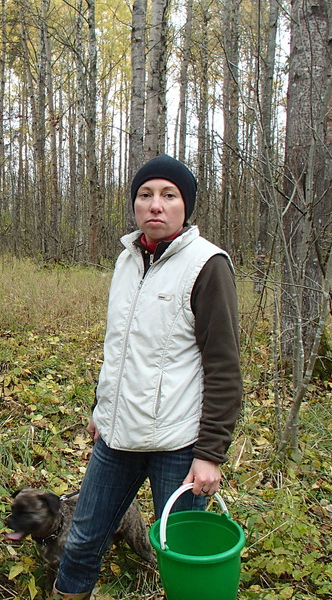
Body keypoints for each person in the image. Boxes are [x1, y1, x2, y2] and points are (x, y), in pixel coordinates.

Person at [52, 154, 243, 599]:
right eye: (145, 195)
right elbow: (119, 348)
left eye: (168, 195)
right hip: (118, 439)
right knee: (80, 543)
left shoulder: (207, 264)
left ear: (185, 206)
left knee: (181, 555)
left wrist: (210, 453)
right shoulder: (127, 260)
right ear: (136, 204)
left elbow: (224, 367)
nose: (156, 204)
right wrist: (102, 410)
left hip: (178, 446)